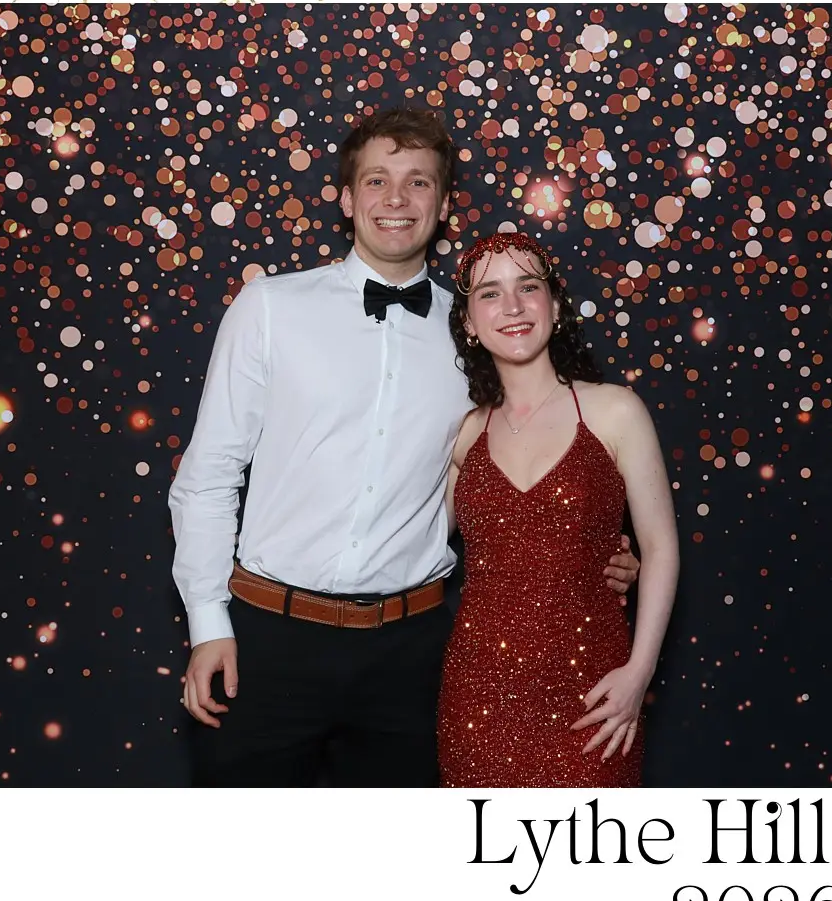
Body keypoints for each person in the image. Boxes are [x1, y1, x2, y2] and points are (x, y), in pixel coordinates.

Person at [168, 107, 638, 787]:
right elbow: (208, 478)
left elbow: (518, 466)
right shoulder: (269, 308)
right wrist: (209, 621)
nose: (396, 199)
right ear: (345, 198)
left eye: (418, 183)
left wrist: (599, 549)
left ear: (444, 206)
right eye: (377, 180)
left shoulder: (477, 335)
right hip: (267, 640)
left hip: (412, 654)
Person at [438, 230, 679, 787]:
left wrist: (639, 674)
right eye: (490, 293)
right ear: (470, 324)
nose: (514, 306)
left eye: (529, 286)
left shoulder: (615, 410)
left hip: (596, 694)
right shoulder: (463, 434)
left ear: (555, 303)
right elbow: (410, 544)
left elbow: (662, 548)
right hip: (478, 697)